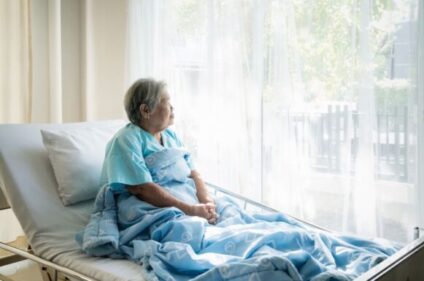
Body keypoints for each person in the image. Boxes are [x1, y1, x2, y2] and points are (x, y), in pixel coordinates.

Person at [100, 78, 217, 224]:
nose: (172, 107)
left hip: (190, 202)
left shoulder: (170, 135)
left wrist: (207, 203)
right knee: (185, 228)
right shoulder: (126, 139)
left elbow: (194, 173)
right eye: (167, 101)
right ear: (146, 110)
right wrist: (191, 210)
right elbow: (143, 188)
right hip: (154, 207)